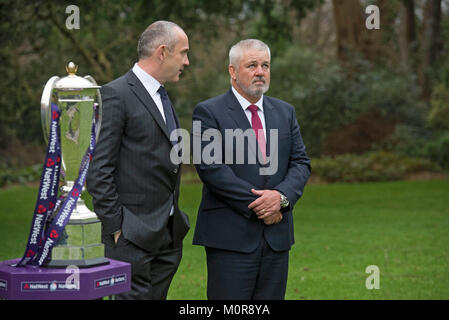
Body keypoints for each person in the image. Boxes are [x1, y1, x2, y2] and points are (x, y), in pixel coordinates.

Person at [192, 39, 311, 300]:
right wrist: (264, 205)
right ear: (232, 71)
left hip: (276, 239)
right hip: (230, 238)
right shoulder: (208, 112)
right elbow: (212, 169)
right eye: (252, 65)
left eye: (265, 65)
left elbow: (300, 163)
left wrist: (280, 199)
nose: (260, 71)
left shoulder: (285, 112)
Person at [86, 20, 190, 300]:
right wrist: (118, 229)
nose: (187, 61)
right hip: (131, 239)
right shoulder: (115, 94)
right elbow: (98, 171)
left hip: (167, 238)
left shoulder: (162, 94)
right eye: (183, 53)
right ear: (162, 52)